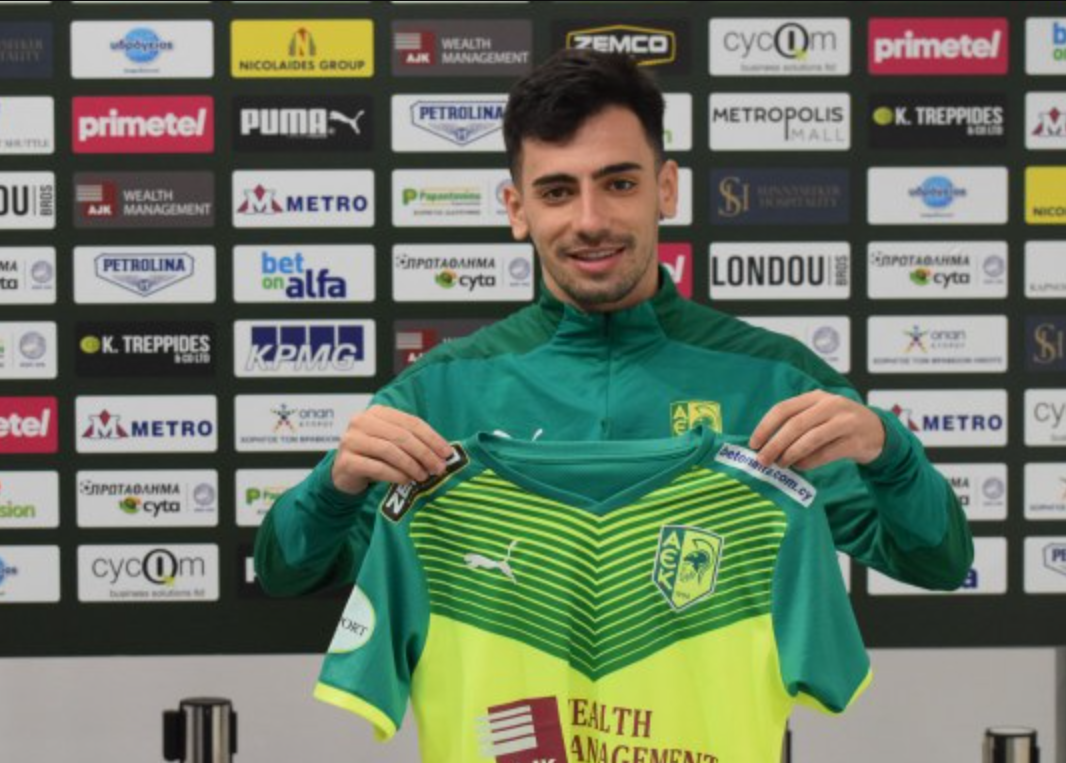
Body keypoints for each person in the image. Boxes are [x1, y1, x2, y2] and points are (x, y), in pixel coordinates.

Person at [254, 48, 972, 602]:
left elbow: (937, 563)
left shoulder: (775, 380)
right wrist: (333, 485)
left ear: (667, 188)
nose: (590, 220)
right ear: (516, 210)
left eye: (619, 183)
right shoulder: (438, 391)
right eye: (557, 192)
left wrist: (890, 452)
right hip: (511, 747)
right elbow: (287, 572)